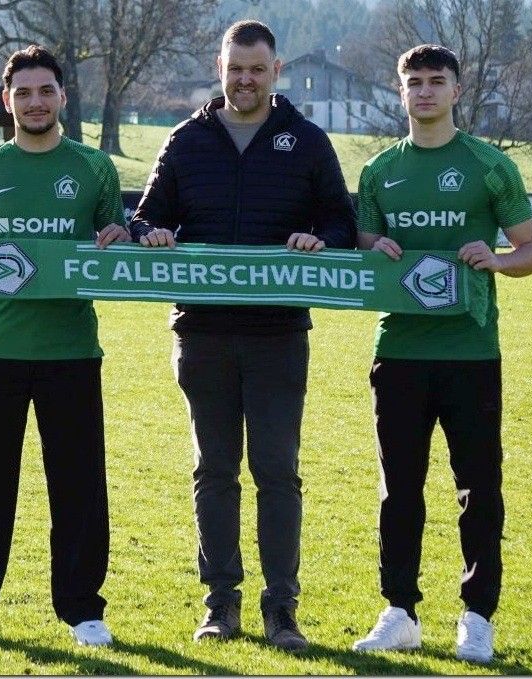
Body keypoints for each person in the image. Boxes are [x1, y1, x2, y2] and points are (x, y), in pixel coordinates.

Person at [128, 20, 356, 652]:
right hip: (201, 333)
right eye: (235, 68)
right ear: (219, 68)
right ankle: (220, 604)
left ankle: (282, 608)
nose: (245, 79)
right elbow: (147, 215)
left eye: (257, 69)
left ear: (275, 72)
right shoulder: (186, 140)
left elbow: (341, 219)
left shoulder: (306, 142)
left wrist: (323, 240)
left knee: (277, 471)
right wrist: (152, 233)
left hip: (278, 334)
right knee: (214, 471)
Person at [0, 44, 129, 647]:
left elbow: (113, 237)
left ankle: (83, 610)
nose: (35, 102)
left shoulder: (94, 169)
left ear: (63, 97)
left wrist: (117, 234)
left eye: (45, 91)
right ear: (6, 100)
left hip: (70, 351)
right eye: (23, 93)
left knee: (79, 486)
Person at [349, 44, 532, 664]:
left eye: (437, 82)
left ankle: (476, 616)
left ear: (458, 91)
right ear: (400, 92)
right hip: (399, 350)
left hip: (470, 353)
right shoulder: (380, 171)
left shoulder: (489, 166)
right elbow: (362, 241)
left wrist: (498, 260)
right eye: (415, 83)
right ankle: (400, 611)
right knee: (398, 489)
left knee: (478, 488)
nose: (426, 92)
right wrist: (372, 244)